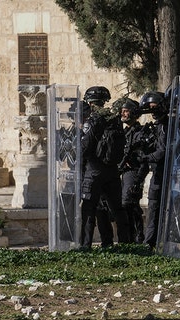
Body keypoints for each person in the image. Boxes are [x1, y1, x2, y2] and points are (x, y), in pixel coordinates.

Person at [79, 86, 131, 249]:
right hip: (112, 170)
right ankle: (125, 243)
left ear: (90, 102)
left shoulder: (94, 119)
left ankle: (85, 245)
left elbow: (86, 147)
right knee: (117, 209)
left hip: (94, 170)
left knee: (88, 208)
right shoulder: (114, 118)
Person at [137, 91, 169, 250]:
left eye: (154, 107)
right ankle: (149, 243)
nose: (152, 111)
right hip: (157, 174)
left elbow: (162, 152)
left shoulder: (168, 125)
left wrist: (146, 157)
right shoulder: (157, 127)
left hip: (168, 174)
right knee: (153, 208)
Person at [117, 97, 151, 244]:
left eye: (126, 111)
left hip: (134, 172)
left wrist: (138, 180)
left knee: (129, 203)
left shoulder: (140, 132)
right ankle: (129, 238)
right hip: (123, 171)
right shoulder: (124, 132)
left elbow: (143, 159)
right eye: (122, 111)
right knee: (126, 205)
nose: (123, 114)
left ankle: (138, 236)